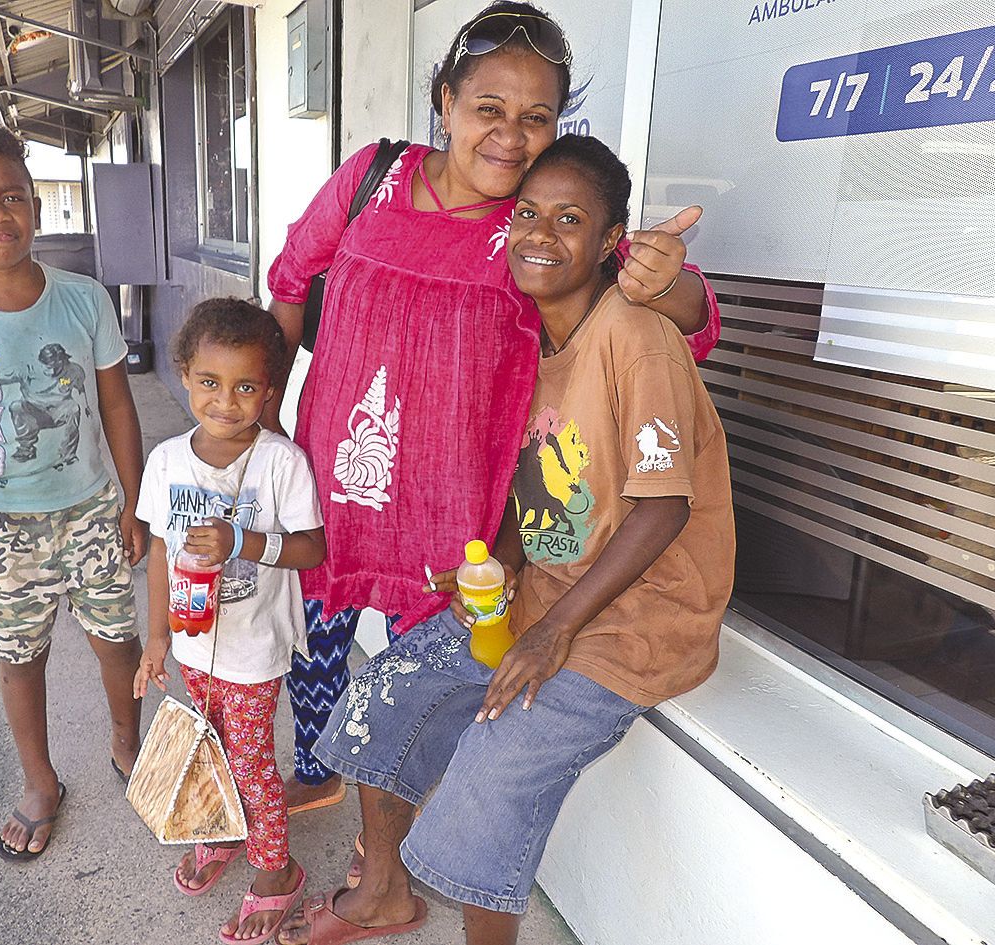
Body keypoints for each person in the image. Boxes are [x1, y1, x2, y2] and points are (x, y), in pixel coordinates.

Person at [264, 1, 722, 815]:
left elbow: (683, 327)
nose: (510, 135)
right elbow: (293, 279)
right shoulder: (375, 176)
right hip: (332, 485)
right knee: (314, 655)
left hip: (456, 513)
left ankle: (391, 827)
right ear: (443, 102)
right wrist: (262, 432)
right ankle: (317, 768)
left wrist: (670, 280)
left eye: (536, 117)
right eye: (488, 109)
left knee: (414, 689)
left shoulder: (536, 233)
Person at [276, 135, 735, 945]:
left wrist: (554, 631)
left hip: (634, 622)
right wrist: (497, 567)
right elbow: (538, 489)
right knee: (381, 696)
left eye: (570, 220)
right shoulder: (528, 338)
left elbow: (661, 511)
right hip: (546, 595)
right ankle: (383, 894)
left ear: (608, 243)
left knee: (487, 774)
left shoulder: (636, 335)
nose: (540, 234)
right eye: (528, 213)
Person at [0, 118, 148, 861]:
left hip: (93, 512)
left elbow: (116, 406)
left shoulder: (83, 300)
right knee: (19, 657)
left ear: (36, 204)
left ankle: (125, 741)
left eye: (12, 195)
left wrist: (136, 504)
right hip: (1, 528)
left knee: (119, 641)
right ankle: (40, 780)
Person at [134, 299, 327, 944]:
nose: (226, 401)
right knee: (206, 746)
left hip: (253, 645)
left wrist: (243, 540)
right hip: (192, 642)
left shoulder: (280, 462)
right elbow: (161, 546)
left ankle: (277, 873)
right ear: (185, 375)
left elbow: (312, 548)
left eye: (247, 386)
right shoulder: (166, 462)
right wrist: (156, 639)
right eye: (210, 383)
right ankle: (218, 830)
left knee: (250, 761)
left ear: (270, 390)